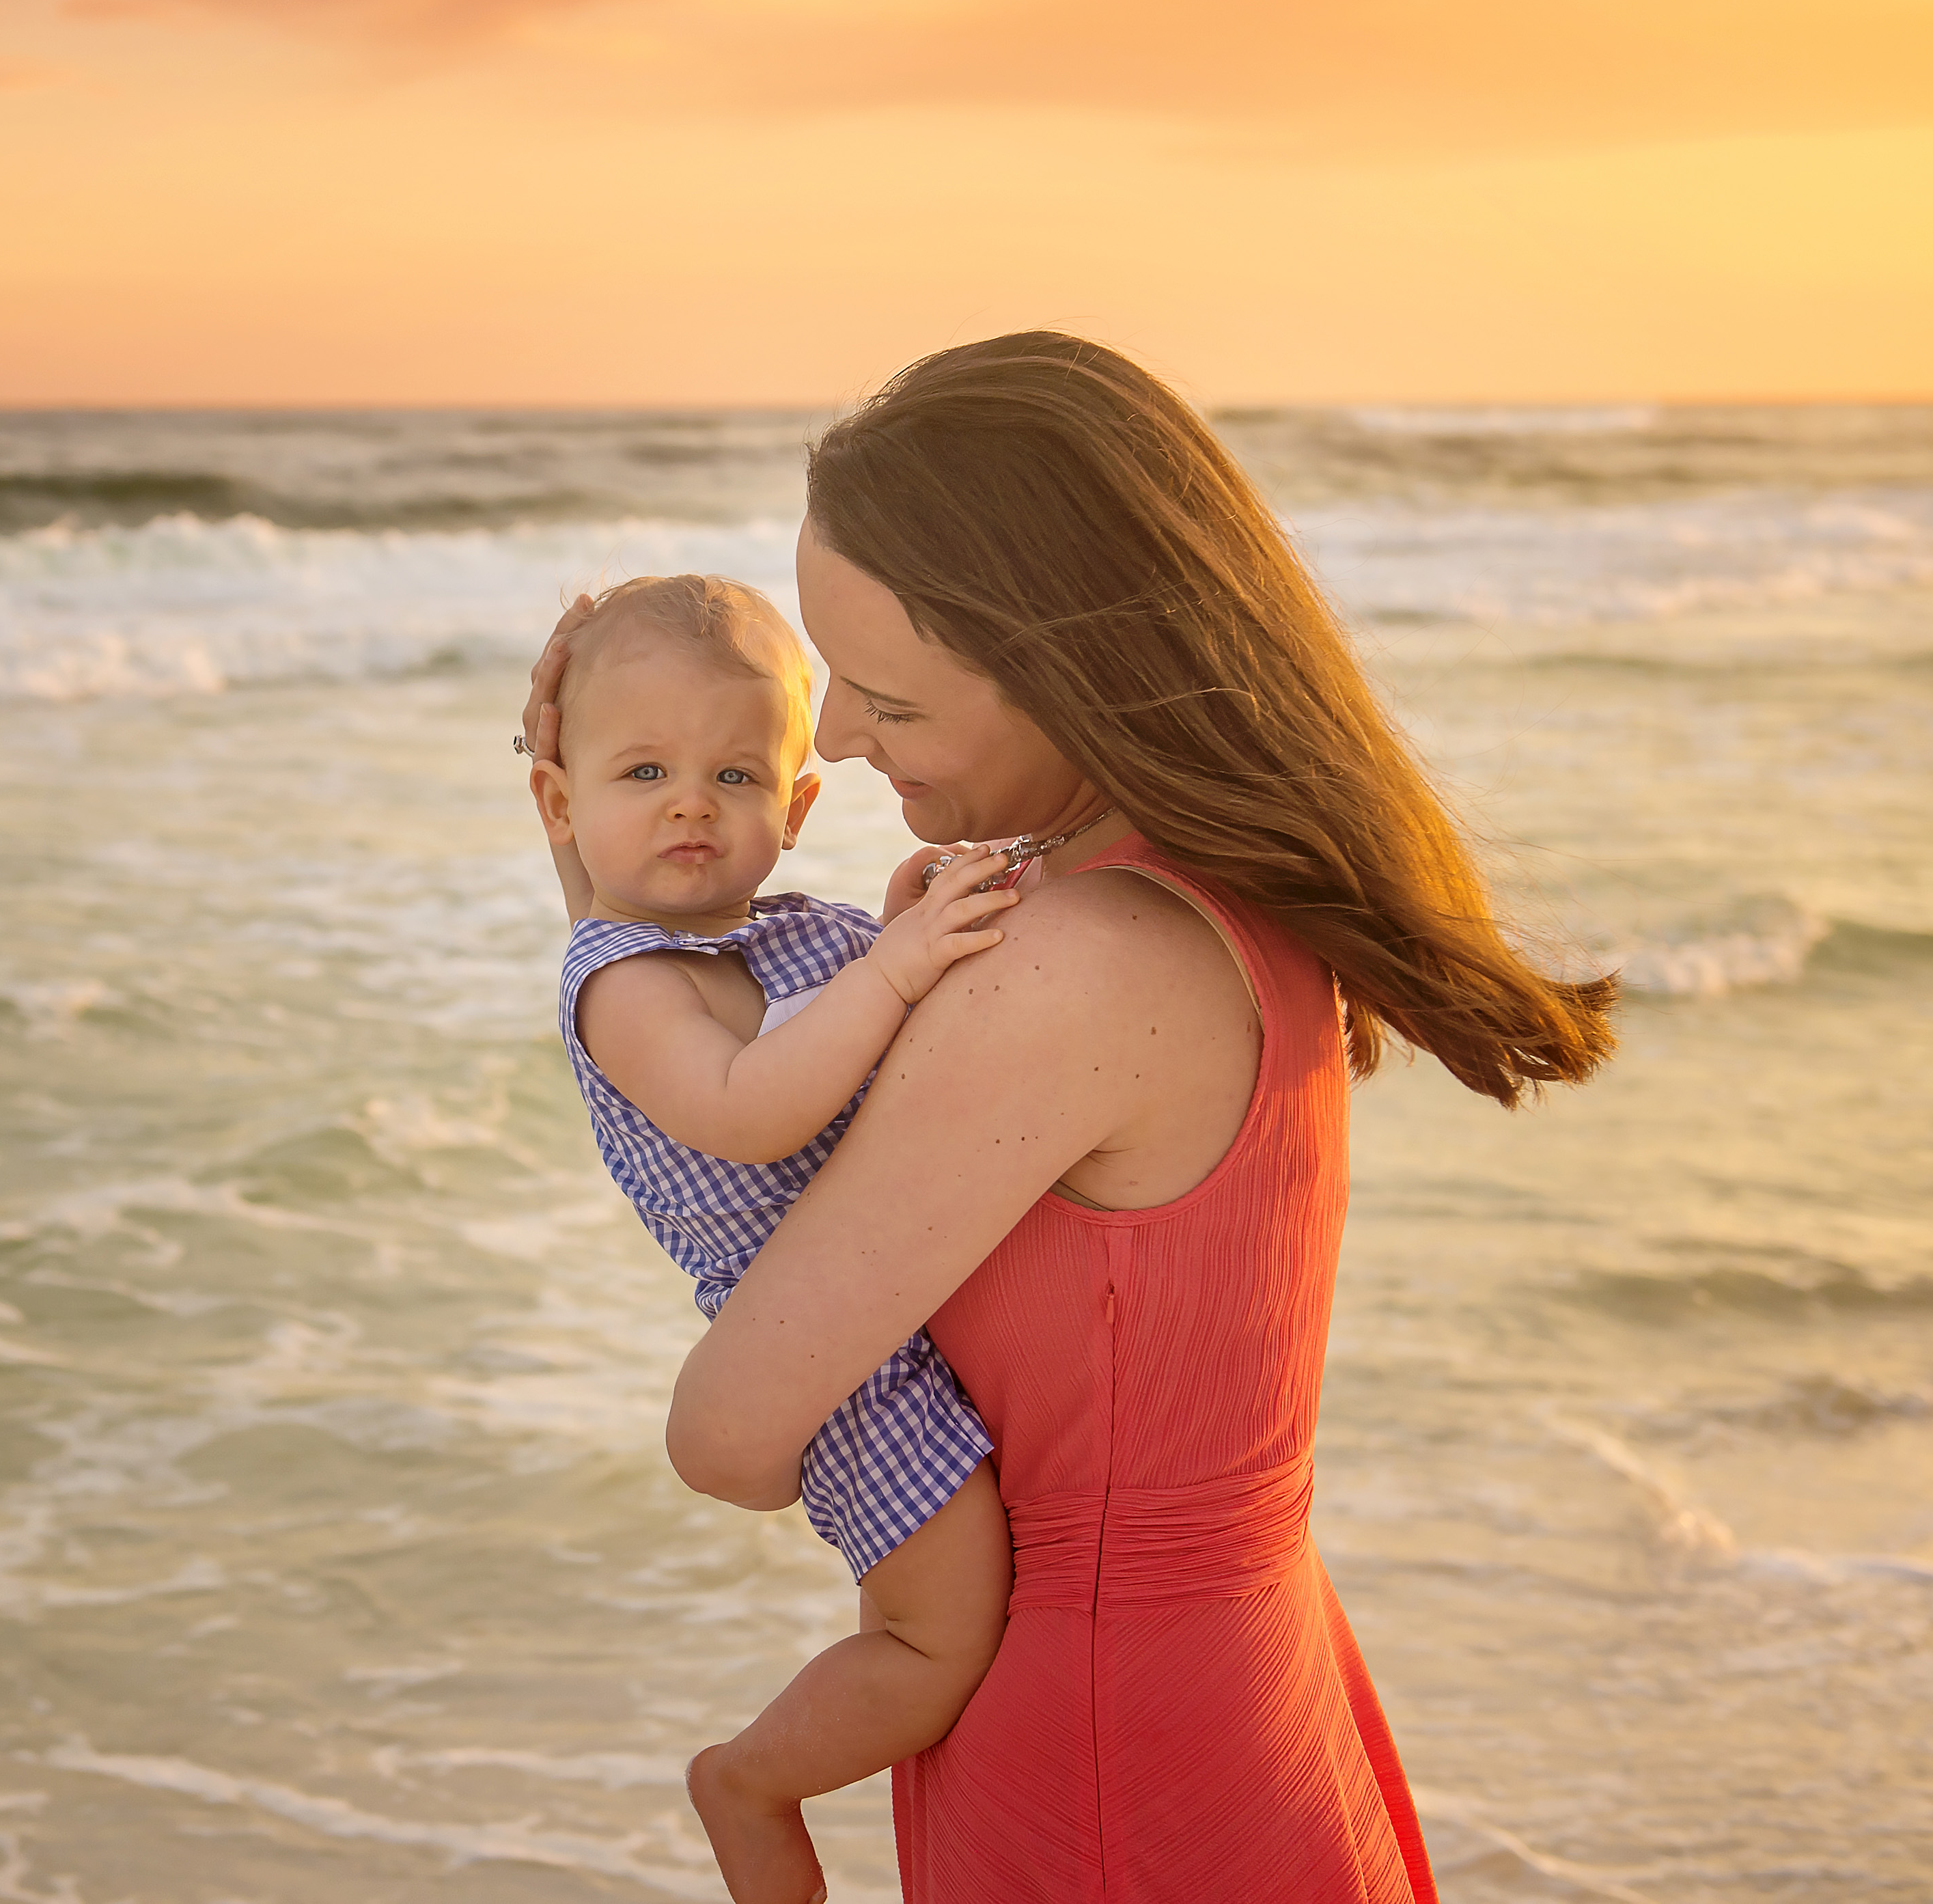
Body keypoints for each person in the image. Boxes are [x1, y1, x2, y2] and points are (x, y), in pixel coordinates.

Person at [523, 333, 1615, 1902]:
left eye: (883, 693)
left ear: (1065, 669)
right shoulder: (1203, 888)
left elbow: (731, 1435)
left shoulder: (1059, 970)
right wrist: (594, 849)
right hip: (1242, 1686)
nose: (825, 737)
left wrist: (603, 873)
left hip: (1097, 1758)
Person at [525, 572, 1037, 1903]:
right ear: (564, 809)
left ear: (797, 807)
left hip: (889, 1303)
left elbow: (911, 1025)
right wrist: (896, 966)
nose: (692, 803)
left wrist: (919, 909)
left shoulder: (790, 929)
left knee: (939, 1616)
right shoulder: (623, 982)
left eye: (737, 775)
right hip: (837, 1365)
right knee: (939, 1640)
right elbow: (750, 1111)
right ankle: (749, 1782)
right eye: (642, 769)